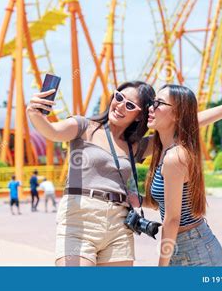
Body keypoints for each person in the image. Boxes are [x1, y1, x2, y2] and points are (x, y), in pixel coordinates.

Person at [142, 84, 222, 266]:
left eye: (159, 103)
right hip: (186, 247)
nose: (151, 107)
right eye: (152, 102)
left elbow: (172, 220)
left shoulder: (174, 156)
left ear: (177, 114)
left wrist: (161, 265)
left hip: (193, 251)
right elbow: (197, 120)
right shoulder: (162, 148)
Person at [27, 81, 155, 266]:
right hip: (79, 220)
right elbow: (52, 132)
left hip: (119, 223)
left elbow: (180, 131)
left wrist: (213, 111)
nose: (119, 105)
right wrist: (33, 112)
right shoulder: (84, 127)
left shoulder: (134, 146)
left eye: (129, 105)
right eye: (119, 97)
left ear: (139, 116)